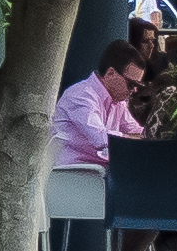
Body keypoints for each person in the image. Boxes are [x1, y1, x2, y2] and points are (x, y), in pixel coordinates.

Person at [55, 40, 147, 169]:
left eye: (137, 86)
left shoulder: (118, 102)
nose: (134, 90)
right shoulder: (80, 95)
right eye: (131, 84)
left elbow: (135, 130)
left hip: (97, 172)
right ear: (110, 73)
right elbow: (102, 139)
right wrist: (140, 138)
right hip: (70, 174)